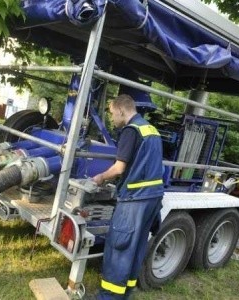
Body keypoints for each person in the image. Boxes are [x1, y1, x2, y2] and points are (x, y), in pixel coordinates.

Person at [92, 94, 164, 299]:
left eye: (113, 114)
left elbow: (119, 168)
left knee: (119, 248)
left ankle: (109, 297)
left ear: (122, 111)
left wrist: (100, 178)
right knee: (136, 246)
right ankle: (126, 294)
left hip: (135, 199)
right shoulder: (151, 130)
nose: (113, 119)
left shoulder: (131, 131)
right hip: (153, 199)